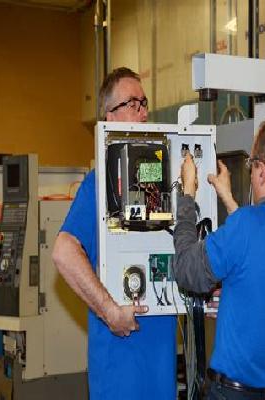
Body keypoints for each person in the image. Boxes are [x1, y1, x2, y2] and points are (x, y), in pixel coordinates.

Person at [52, 67, 177, 399]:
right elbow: (63, 250)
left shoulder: (163, 186)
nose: (144, 112)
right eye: (132, 104)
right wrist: (109, 311)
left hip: (160, 373)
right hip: (120, 376)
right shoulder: (100, 184)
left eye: (144, 103)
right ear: (110, 116)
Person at [173, 115, 265, 400]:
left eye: (252, 165)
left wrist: (186, 195)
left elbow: (186, 269)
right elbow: (258, 254)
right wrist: (228, 199)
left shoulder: (246, 226)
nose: (251, 174)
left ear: (262, 170)